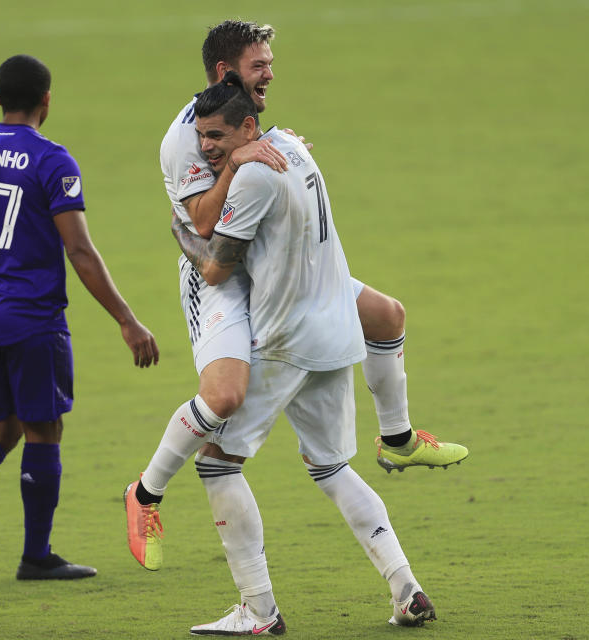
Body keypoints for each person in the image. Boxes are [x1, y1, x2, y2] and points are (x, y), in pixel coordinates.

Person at [124, 19, 467, 571]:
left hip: (279, 271)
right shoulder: (185, 140)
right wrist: (234, 161)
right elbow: (204, 230)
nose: (269, 73)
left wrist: (269, 148)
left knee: (385, 316)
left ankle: (399, 440)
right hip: (220, 272)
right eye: (258, 65)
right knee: (225, 398)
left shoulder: (257, 129)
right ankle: (144, 494)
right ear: (225, 71)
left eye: (268, 63)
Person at [176, 72, 437, 635]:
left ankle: (259, 612)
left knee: (217, 461)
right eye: (202, 138)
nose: (208, 148)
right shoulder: (292, 146)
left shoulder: (251, 180)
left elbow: (216, 266)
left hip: (286, 338)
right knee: (330, 466)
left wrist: (183, 231)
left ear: (249, 129)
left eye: (218, 136)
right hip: (334, 331)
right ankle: (405, 586)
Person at [0, 54, 160, 588]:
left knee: (1, 425)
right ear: (47, 100)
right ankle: (35, 556)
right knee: (44, 427)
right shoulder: (52, 161)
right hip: (31, 317)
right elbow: (80, 250)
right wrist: (127, 320)